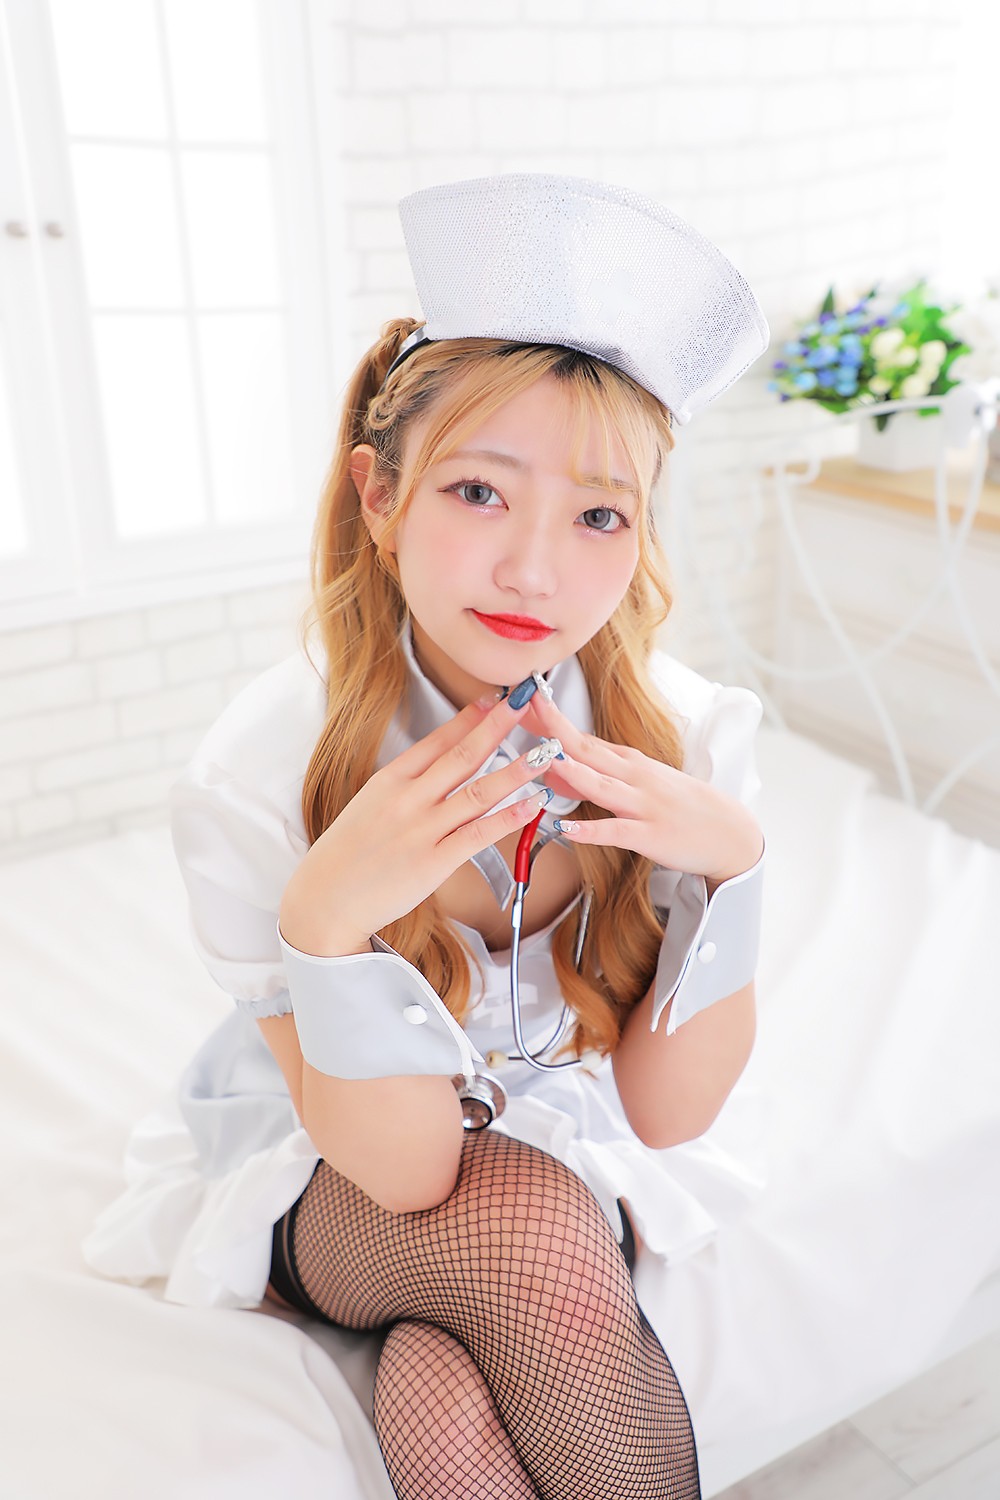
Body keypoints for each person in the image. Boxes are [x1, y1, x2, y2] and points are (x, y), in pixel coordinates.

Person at [83, 173, 770, 1499]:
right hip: (337, 1162)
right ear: (379, 496)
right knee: (534, 1237)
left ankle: (440, 1332)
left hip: (551, 1134)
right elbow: (408, 1175)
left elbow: (668, 1112)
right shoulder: (254, 775)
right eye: (477, 493)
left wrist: (730, 873)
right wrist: (328, 921)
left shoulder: (689, 735)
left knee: (443, 1391)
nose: (533, 572)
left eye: (599, 515)